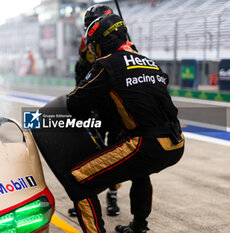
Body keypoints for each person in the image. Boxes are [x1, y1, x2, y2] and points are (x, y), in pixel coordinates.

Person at [66, 14, 184, 233]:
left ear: (102, 43)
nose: (94, 51)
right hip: (176, 143)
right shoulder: (149, 62)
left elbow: (75, 103)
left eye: (94, 46)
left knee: (78, 179)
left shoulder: (106, 64)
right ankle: (139, 227)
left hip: (147, 145)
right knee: (141, 171)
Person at [69, 4, 122, 218]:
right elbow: (80, 72)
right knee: (90, 153)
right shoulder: (85, 45)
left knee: (115, 152)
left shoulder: (122, 44)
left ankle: (112, 196)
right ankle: (88, 198)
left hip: (117, 108)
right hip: (95, 107)